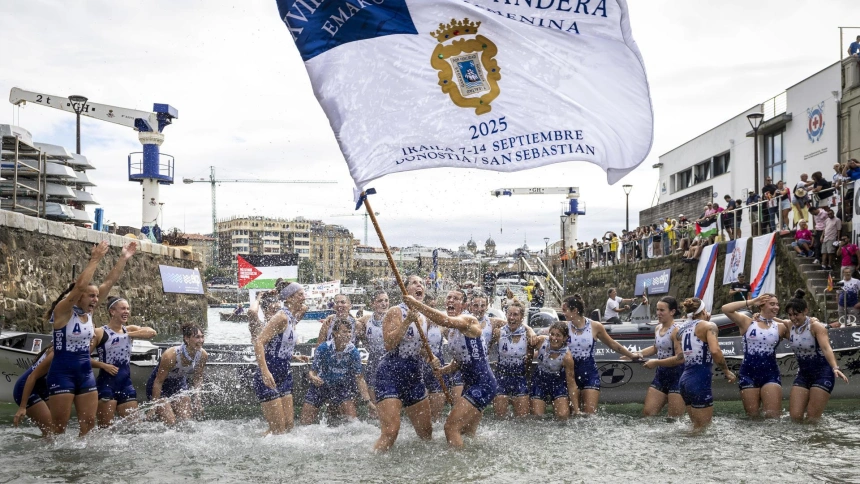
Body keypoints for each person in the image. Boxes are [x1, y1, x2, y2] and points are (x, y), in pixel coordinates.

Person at [46, 240, 135, 436]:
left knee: (88, 428)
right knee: (58, 430)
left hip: (85, 373)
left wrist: (123, 259)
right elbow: (79, 287)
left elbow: (109, 282)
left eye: (97, 296)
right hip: (62, 373)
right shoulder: (63, 311)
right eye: (91, 296)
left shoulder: (90, 312)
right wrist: (95, 259)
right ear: (78, 298)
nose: (96, 299)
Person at [403, 289, 497, 449]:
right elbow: (458, 363)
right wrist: (442, 371)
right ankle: (474, 465)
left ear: (464, 305)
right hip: (471, 385)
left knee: (450, 428)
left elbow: (444, 320)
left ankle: (458, 469)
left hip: (483, 384)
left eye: (456, 298)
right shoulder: (452, 332)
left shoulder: (468, 320)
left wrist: (416, 304)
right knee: (467, 433)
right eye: (448, 297)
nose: (451, 301)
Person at [644, 298, 736, 430]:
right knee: (703, 428)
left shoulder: (683, 328)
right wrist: (726, 371)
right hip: (699, 379)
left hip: (684, 380)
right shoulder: (709, 326)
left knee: (694, 426)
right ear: (704, 310)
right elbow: (715, 351)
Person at [372, 275, 434, 452]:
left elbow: (420, 348)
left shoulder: (424, 316)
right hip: (390, 374)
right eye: (414, 283)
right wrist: (407, 321)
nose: (419, 285)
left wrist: (431, 357)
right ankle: (373, 467)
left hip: (414, 374)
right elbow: (389, 343)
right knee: (391, 431)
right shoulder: (395, 311)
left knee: (426, 433)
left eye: (421, 283)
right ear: (405, 290)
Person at [561, 295, 642, 414]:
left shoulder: (595, 326)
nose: (563, 314)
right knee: (573, 414)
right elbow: (547, 336)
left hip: (589, 372)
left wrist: (631, 355)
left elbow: (612, 344)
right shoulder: (563, 326)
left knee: (590, 415)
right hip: (570, 374)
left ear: (575, 311)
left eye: (565, 310)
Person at [782, 290, 848, 423]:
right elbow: (772, 321)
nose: (793, 318)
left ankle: (817, 442)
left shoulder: (815, 326)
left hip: (823, 374)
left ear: (805, 311)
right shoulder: (789, 325)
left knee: (812, 420)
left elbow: (826, 348)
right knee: (794, 418)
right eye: (790, 315)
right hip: (803, 375)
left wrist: (835, 367)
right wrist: (757, 316)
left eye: (796, 314)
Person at [251, 285, 309, 435]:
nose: (304, 298)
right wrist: (264, 372)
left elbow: (277, 345)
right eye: (300, 295)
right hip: (269, 373)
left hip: (284, 372)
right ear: (289, 298)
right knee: (279, 431)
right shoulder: (281, 317)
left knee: (289, 426)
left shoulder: (292, 317)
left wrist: (293, 355)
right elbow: (259, 342)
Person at [93, 296, 157, 428]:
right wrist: (103, 365)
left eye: (128, 308)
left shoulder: (129, 330)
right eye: (123, 308)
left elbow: (152, 332)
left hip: (126, 384)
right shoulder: (100, 332)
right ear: (112, 311)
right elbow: (81, 358)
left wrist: (128, 334)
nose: (126, 311)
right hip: (106, 385)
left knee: (135, 429)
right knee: (105, 431)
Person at [721, 294, 789, 418]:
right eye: (772, 304)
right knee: (752, 418)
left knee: (773, 418)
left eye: (777, 304)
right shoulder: (748, 322)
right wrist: (752, 301)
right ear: (761, 305)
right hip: (748, 374)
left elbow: (799, 326)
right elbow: (726, 308)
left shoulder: (781, 327)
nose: (776, 307)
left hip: (771, 374)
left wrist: (813, 321)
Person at [301, 318, 376, 424]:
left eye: (350, 332)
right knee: (305, 422)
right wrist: (313, 377)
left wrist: (368, 402)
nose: (348, 335)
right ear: (335, 333)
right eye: (344, 331)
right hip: (320, 386)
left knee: (353, 423)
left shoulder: (353, 352)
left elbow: (359, 378)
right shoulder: (324, 348)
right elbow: (312, 371)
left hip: (341, 387)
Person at [146, 323, 209, 426]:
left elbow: (198, 378)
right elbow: (158, 381)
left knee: (187, 422)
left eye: (202, 336)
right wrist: (153, 406)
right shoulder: (171, 355)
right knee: (171, 422)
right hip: (159, 386)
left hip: (178, 384)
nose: (201, 341)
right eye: (197, 337)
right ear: (187, 339)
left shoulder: (202, 355)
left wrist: (198, 400)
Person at [640, 297, 685, 418]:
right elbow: (656, 348)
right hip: (661, 375)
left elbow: (680, 358)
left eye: (662, 310)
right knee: (648, 414)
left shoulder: (677, 331)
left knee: (674, 420)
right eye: (657, 310)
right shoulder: (658, 328)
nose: (658, 313)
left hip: (678, 377)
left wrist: (656, 362)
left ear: (672, 312)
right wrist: (639, 353)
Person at [491, 299, 536, 419]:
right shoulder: (498, 333)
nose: (512, 317)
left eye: (515, 314)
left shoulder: (528, 335)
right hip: (501, 376)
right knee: (499, 419)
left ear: (522, 317)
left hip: (519, 377)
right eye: (509, 314)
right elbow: (487, 350)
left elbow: (529, 359)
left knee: (522, 420)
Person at [528, 322, 578, 420]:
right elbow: (528, 345)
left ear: (565, 338)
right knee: (537, 416)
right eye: (552, 334)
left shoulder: (567, 357)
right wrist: (528, 359)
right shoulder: (541, 341)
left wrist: (576, 409)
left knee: (563, 416)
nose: (554, 338)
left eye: (558, 335)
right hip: (539, 379)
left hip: (557, 381)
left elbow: (571, 383)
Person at [356, 290, 389, 413]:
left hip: (390, 359)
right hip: (374, 358)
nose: (384, 303)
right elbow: (354, 321)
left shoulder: (393, 317)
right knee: (372, 387)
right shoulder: (366, 319)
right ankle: (375, 415)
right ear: (373, 304)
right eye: (380, 301)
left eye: (386, 300)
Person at [12, 348, 54, 437]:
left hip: (42, 386)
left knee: (57, 427)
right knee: (49, 432)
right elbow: (32, 377)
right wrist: (22, 407)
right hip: (25, 387)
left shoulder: (73, 348)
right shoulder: (55, 352)